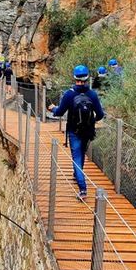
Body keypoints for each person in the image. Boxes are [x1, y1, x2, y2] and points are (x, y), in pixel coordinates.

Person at [47, 65, 104, 201]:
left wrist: (53, 108)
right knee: (81, 154)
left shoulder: (69, 94)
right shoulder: (92, 95)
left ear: (75, 77)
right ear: (87, 77)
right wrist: (91, 121)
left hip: (74, 131)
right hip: (88, 131)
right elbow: (100, 114)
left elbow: (59, 112)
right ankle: (77, 175)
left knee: (77, 158)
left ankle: (83, 189)